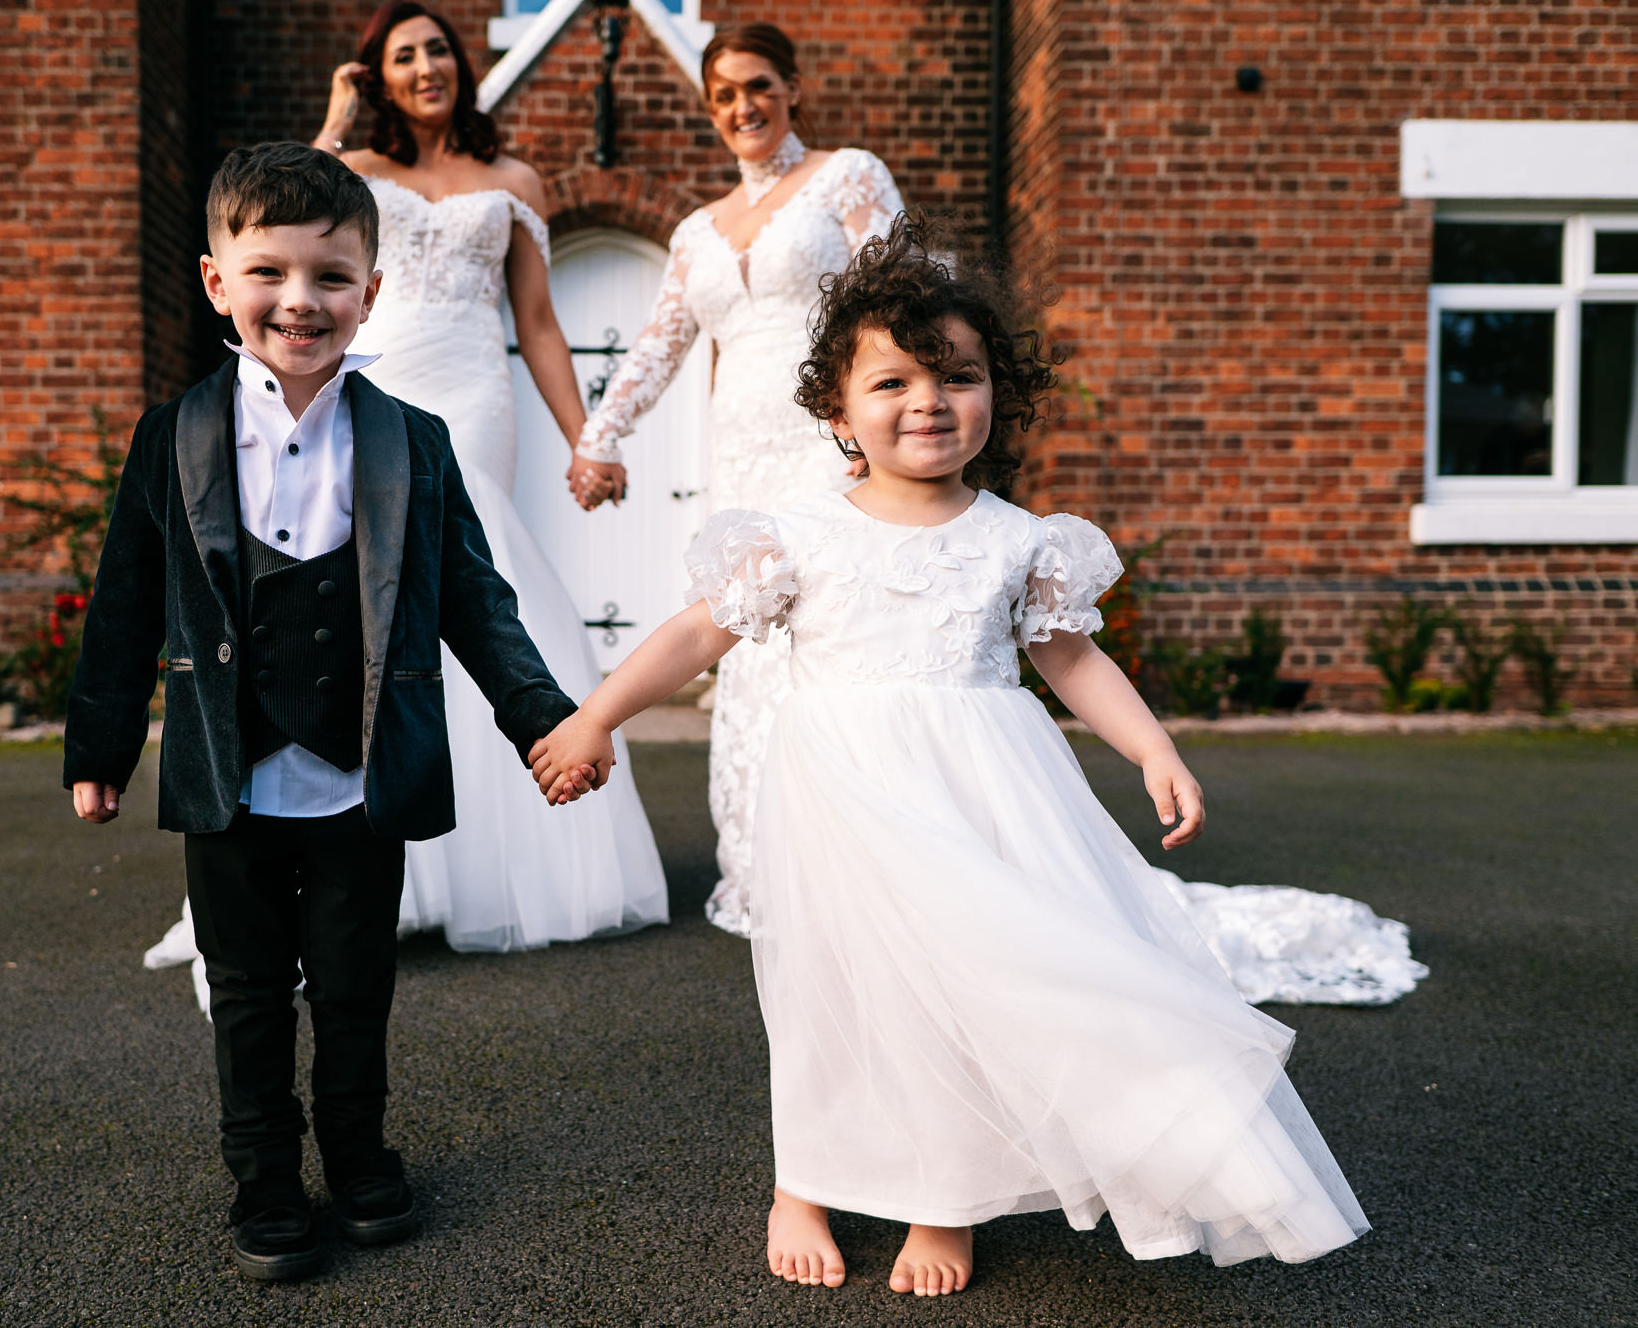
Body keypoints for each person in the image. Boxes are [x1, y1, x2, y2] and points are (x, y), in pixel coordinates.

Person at [531, 214, 1369, 1294]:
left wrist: (1150, 748)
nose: (925, 400)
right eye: (890, 384)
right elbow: (696, 633)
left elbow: (1069, 663)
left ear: (994, 396)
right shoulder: (797, 531)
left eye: (955, 377)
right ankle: (805, 1179)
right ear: (837, 412)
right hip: (837, 791)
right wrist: (595, 714)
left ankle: (943, 1196)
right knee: (824, 989)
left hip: (982, 789)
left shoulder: (1019, 538)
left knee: (968, 990)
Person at [65, 142, 592, 1282]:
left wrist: (542, 718)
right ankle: (261, 1171)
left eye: (329, 277)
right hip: (227, 773)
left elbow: (475, 604)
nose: (298, 301)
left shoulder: (413, 439)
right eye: (269, 273)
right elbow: (123, 605)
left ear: (370, 291)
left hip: (362, 774)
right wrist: (99, 745)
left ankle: (358, 1153)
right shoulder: (172, 437)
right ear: (218, 282)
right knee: (248, 989)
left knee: (355, 983)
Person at [144, 0, 665, 983]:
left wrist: (585, 438)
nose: (422, 66)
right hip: (370, 379)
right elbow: (275, 213)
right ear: (379, 75)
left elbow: (541, 325)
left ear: (460, 66)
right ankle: (344, 851)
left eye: (434, 50)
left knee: (465, 579)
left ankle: (484, 870)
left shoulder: (514, 183)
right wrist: (336, 119)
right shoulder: (359, 174)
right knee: (349, 584)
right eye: (401, 56)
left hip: (471, 393)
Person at [568, 22, 904, 937]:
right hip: (740, 456)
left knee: (830, 638)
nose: (742, 107)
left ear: (792, 88)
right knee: (745, 638)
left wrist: (879, 430)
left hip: (831, 443)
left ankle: (865, 858)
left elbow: (899, 301)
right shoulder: (693, 231)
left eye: (757, 86)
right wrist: (599, 435)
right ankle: (765, 860)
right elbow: (660, 343)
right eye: (723, 95)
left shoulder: (849, 178)